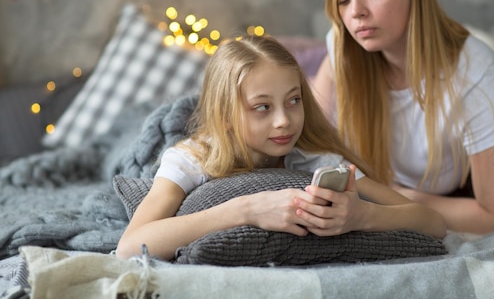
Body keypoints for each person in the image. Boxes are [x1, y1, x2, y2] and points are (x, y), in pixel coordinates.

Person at [116, 35, 446, 260]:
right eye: (262, 107)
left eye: (293, 101)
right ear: (226, 114)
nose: (284, 121)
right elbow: (129, 246)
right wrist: (248, 210)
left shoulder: (312, 159)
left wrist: (363, 216)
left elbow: (433, 222)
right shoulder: (190, 159)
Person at [312, 0, 494, 234]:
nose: (356, 12)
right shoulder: (343, 46)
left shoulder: (473, 68)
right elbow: (310, 150)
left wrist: (396, 201)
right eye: (343, 0)